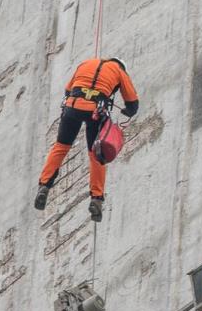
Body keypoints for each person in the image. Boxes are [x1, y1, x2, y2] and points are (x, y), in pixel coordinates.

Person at [34, 57, 138, 220]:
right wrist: (128, 111)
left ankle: (44, 186)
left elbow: (68, 90)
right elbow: (132, 102)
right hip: (95, 112)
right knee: (96, 155)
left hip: (72, 107)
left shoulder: (85, 64)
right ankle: (96, 199)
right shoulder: (119, 71)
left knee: (60, 147)